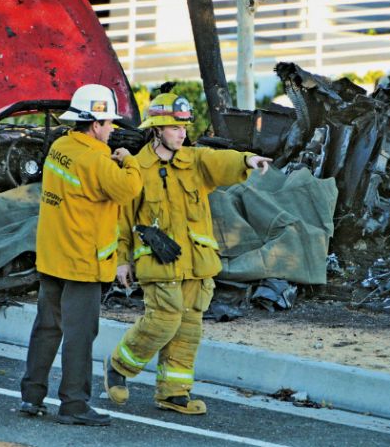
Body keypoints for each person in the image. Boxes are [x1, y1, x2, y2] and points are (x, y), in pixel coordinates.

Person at [103, 91, 271, 415]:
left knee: (188, 328)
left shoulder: (194, 161)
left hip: (196, 264)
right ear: (157, 130)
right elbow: (122, 220)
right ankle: (119, 366)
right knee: (163, 321)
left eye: (184, 128)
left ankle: (174, 392)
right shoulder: (136, 168)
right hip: (159, 264)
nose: (182, 133)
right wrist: (122, 261)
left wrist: (247, 159)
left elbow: (220, 161)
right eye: (175, 128)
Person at [20, 84, 143, 426]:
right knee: (79, 335)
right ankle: (74, 404)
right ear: (94, 124)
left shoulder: (61, 146)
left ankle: (31, 395)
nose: (112, 129)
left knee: (47, 327)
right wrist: (128, 161)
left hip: (53, 257)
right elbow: (129, 190)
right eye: (108, 123)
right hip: (83, 263)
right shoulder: (97, 160)